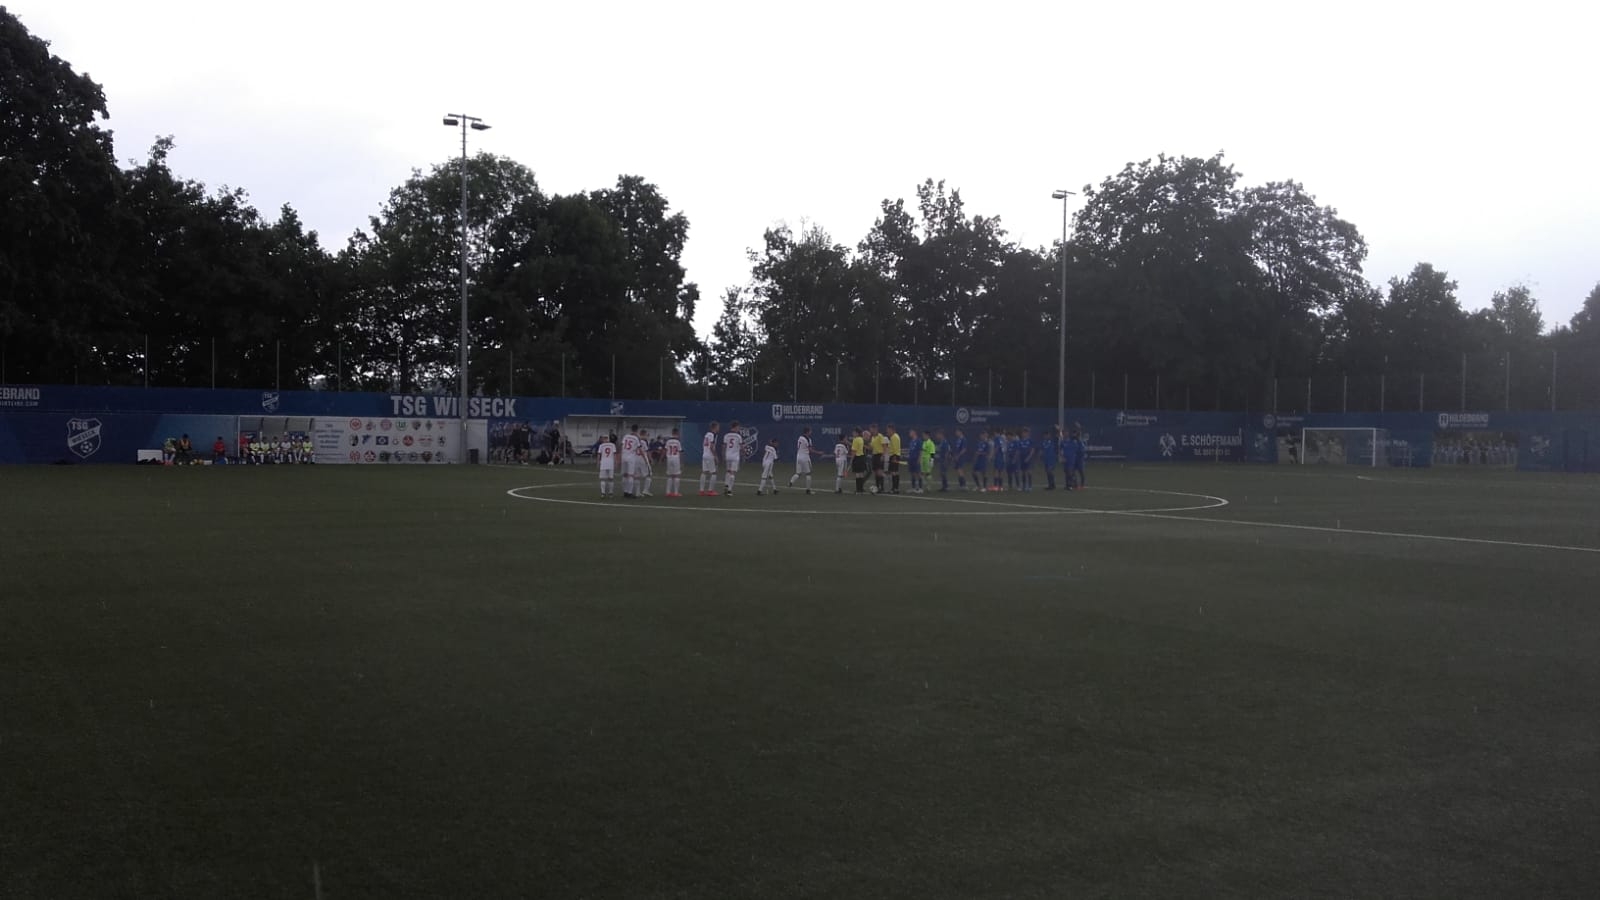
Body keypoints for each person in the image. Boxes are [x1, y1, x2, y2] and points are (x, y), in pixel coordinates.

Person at [789, 426, 816, 495]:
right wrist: (819, 453)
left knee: (798, 473)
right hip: (805, 457)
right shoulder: (808, 439)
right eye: (810, 431)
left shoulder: (800, 437)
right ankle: (808, 490)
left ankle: (791, 481)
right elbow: (810, 450)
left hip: (798, 457)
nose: (811, 432)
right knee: (808, 473)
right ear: (807, 432)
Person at [620, 425, 643, 498]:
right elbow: (640, 448)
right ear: (637, 430)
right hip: (631, 457)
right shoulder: (636, 438)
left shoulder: (626, 436)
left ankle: (625, 491)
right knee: (630, 475)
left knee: (624, 475)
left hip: (624, 456)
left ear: (631, 429)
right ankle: (629, 493)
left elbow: (622, 445)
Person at [699, 421, 721, 496]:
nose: (719, 428)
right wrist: (715, 456)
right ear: (715, 427)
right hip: (709, 455)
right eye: (718, 427)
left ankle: (701, 490)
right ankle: (710, 490)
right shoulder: (713, 435)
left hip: (705, 454)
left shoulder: (707, 434)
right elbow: (712, 446)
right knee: (714, 472)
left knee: (704, 472)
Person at [721, 420, 743, 495]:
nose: (739, 429)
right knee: (733, 472)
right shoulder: (738, 436)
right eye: (738, 427)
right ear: (735, 427)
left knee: (728, 471)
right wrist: (744, 453)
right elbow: (741, 447)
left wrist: (723, 455)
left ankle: (726, 485)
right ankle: (730, 490)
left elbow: (724, 446)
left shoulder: (726, 435)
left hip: (728, 455)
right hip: (735, 456)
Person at [596, 433, 618, 497]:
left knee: (603, 479)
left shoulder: (601, 445)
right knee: (610, 478)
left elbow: (599, 454)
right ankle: (610, 493)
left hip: (603, 463)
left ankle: (603, 493)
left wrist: (598, 462)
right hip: (610, 463)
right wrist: (615, 462)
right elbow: (614, 454)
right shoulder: (612, 445)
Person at [663, 429, 683, 498]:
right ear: (677, 433)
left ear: (672, 433)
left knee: (670, 475)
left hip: (669, 458)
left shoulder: (668, 441)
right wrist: (681, 461)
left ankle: (668, 492)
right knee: (676, 475)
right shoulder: (678, 442)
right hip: (675, 458)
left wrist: (663, 459)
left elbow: (665, 450)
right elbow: (680, 451)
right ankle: (676, 492)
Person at [869, 425, 888, 494]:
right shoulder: (872, 437)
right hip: (874, 456)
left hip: (879, 455)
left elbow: (884, 446)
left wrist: (883, 455)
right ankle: (877, 487)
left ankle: (882, 487)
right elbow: (871, 447)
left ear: (875, 429)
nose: (871, 431)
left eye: (871, 429)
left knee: (880, 472)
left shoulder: (880, 436)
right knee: (876, 472)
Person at [850, 427, 869, 494]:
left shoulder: (855, 440)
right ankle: (861, 489)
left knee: (858, 474)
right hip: (862, 457)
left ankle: (858, 490)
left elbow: (854, 451)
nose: (853, 433)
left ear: (857, 433)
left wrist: (851, 460)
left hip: (857, 458)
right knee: (861, 474)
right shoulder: (861, 439)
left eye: (854, 432)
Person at [1016, 427, 1035, 492]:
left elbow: (1032, 450)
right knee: (1023, 472)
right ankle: (1024, 486)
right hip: (1022, 458)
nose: (1023, 434)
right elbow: (1018, 450)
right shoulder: (1020, 441)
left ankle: (1030, 486)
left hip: (1028, 458)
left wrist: (1028, 457)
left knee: (1029, 472)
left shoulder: (1030, 440)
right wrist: (1017, 457)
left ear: (1027, 433)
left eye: (1025, 432)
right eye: (1023, 432)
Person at [886, 424, 903, 494]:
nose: (887, 431)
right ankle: (895, 488)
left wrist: (894, 457)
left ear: (892, 430)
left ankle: (894, 488)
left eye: (888, 430)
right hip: (894, 455)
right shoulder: (895, 436)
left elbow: (895, 448)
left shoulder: (894, 437)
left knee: (894, 472)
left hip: (894, 455)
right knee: (895, 472)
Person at [918, 430, 937, 494]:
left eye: (924, 435)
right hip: (923, 460)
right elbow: (922, 451)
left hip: (927, 459)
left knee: (928, 473)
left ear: (927, 435)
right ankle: (925, 485)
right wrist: (920, 458)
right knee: (922, 473)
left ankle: (929, 486)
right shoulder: (923, 442)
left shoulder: (931, 443)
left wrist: (932, 460)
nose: (923, 436)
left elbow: (932, 452)